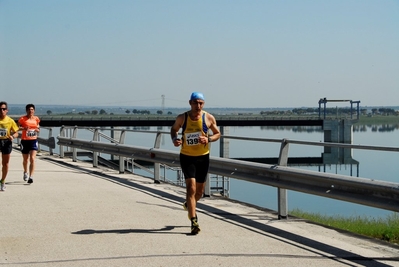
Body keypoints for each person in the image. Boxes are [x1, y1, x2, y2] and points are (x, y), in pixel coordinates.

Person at [170, 92, 220, 235]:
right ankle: (194, 220)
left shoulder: (208, 117)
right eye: (195, 103)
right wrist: (175, 140)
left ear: (203, 104)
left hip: (203, 158)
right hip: (187, 157)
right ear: (190, 103)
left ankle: (188, 205)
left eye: (200, 103)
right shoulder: (182, 118)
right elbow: (174, 130)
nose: (198, 106)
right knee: (191, 189)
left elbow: (218, 133)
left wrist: (209, 139)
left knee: (199, 192)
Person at [18, 104, 40, 184]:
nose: (30, 111)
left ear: (34, 110)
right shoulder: (22, 119)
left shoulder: (36, 119)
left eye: (32, 109)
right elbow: (17, 127)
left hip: (33, 140)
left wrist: (37, 130)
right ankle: (25, 172)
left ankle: (31, 176)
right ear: (26, 110)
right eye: (29, 110)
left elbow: (38, 127)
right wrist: (24, 128)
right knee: (25, 160)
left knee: (32, 159)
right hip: (25, 141)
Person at [0, 101, 19, 191]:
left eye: (4, 109)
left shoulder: (10, 121)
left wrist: (12, 136)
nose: (2, 111)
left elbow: (16, 132)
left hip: (6, 141)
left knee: (5, 163)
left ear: (7, 110)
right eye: (0, 109)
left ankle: (3, 181)